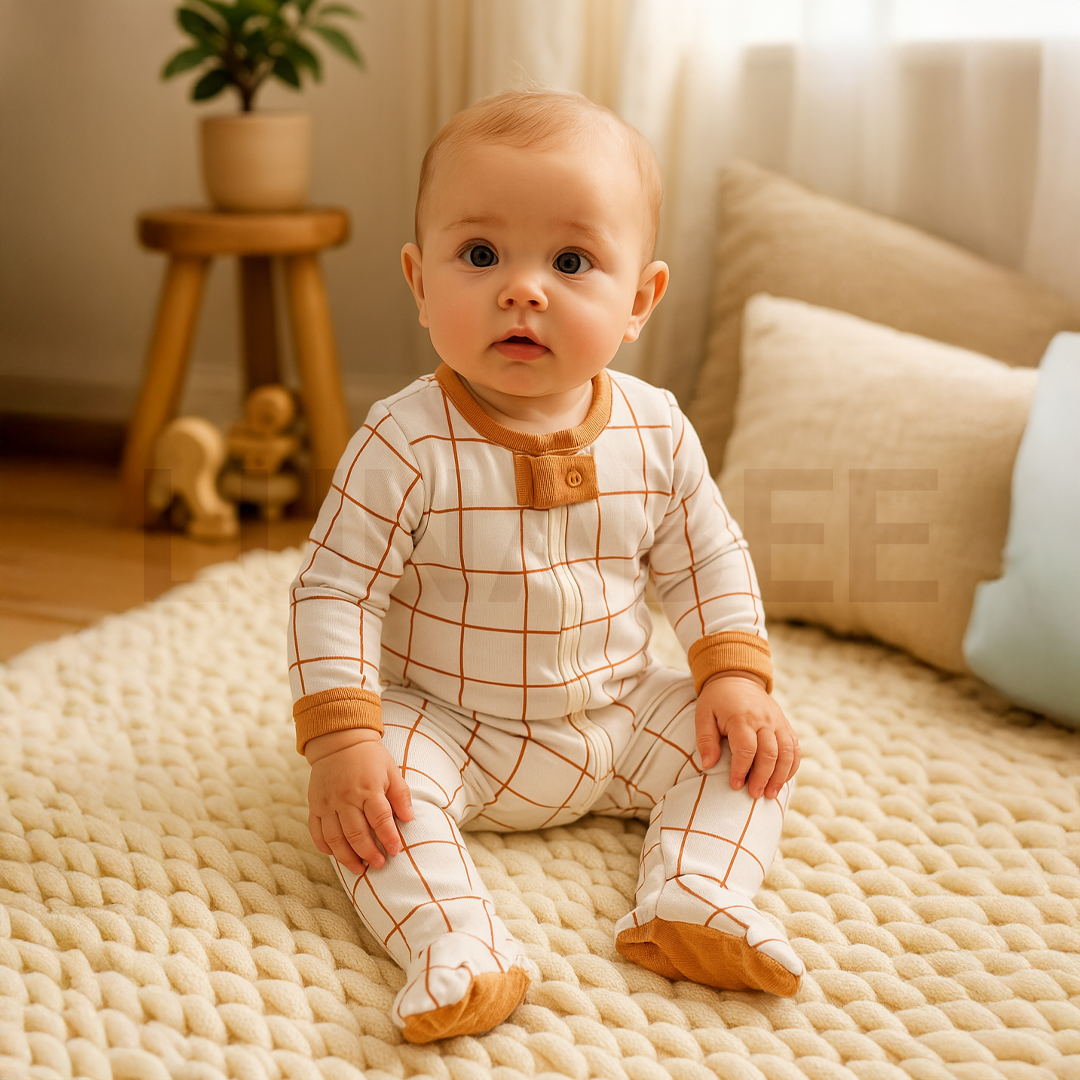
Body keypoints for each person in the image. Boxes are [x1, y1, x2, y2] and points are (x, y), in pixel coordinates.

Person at [288, 88, 803, 1045]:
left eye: (571, 261)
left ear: (640, 300)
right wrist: (342, 741)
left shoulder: (656, 428)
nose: (523, 289)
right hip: (449, 720)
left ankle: (696, 891)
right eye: (480, 256)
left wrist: (731, 674)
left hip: (611, 714)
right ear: (418, 278)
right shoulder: (403, 441)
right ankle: (455, 944)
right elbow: (334, 591)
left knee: (751, 750)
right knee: (371, 812)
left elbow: (707, 558)